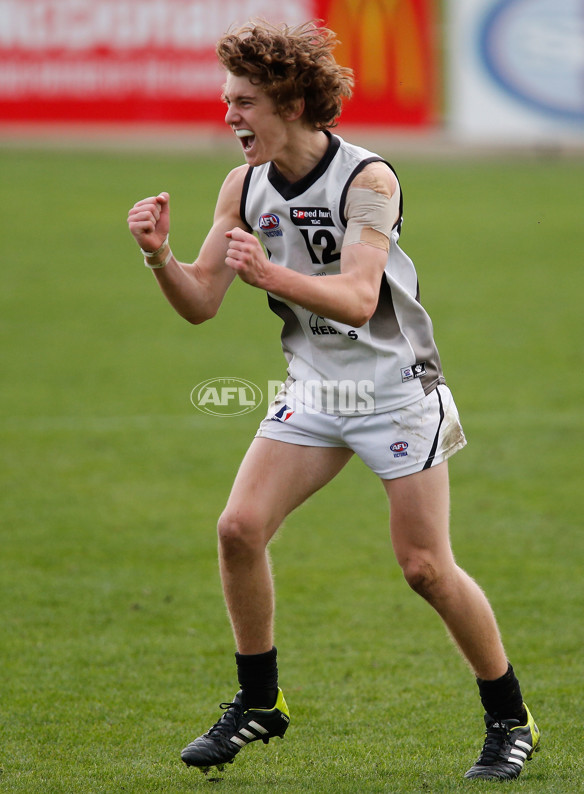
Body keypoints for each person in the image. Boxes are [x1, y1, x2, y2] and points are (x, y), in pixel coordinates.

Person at [127, 20, 540, 781]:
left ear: (288, 100)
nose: (230, 117)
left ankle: (509, 718)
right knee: (238, 528)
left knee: (425, 568)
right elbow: (200, 303)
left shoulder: (367, 180)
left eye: (244, 101)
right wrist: (158, 255)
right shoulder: (243, 186)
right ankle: (260, 702)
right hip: (317, 389)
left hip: (395, 391)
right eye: (228, 100)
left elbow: (357, 297)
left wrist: (273, 277)